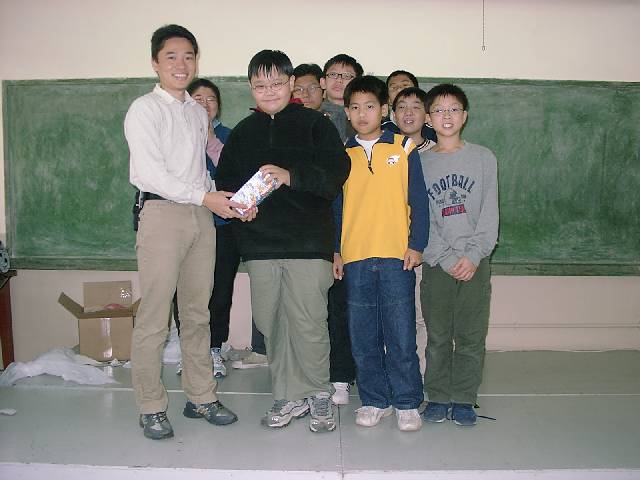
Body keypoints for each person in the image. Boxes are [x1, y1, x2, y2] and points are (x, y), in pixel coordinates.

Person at [215, 49, 350, 433]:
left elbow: (336, 173)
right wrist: (239, 207)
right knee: (271, 322)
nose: (269, 91)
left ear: (292, 83)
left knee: (308, 322)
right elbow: (226, 184)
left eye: (277, 83)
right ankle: (288, 394)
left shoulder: (316, 124)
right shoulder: (243, 133)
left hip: (308, 244)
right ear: (251, 88)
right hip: (260, 247)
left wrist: (292, 176)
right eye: (261, 85)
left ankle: (318, 393)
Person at [125, 24, 248, 440]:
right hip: (161, 214)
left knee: (198, 314)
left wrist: (225, 200)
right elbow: (151, 173)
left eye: (189, 56)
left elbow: (199, 172)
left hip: (200, 217)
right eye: (172, 56)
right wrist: (205, 197)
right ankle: (151, 406)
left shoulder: (197, 112)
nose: (182, 64)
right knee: (155, 316)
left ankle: (201, 396)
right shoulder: (144, 109)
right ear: (155, 62)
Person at [333, 75, 428, 432]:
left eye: (370, 106)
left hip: (396, 256)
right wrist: (335, 251)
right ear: (346, 112)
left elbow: (418, 200)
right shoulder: (342, 155)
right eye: (355, 107)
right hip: (355, 257)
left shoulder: (404, 148)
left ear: (384, 110)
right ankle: (375, 400)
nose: (362, 114)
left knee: (401, 334)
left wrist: (416, 244)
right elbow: (336, 209)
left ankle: (407, 402)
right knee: (363, 336)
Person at [419, 84, 499, 427]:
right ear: (428, 118)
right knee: (438, 336)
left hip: (475, 263)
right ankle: (437, 395)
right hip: (438, 263)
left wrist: (474, 255)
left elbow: (489, 213)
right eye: (439, 110)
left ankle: (464, 397)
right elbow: (420, 219)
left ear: (464, 116)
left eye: (454, 109)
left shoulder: (483, 158)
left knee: (470, 336)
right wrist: (447, 257)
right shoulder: (420, 164)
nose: (447, 116)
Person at [293, 60, 357, 405]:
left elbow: (336, 188)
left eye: (310, 88)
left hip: (339, 230)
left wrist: (337, 244)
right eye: (298, 89)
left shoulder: (347, 129)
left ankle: (340, 376)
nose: (305, 95)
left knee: (338, 306)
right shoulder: (286, 128)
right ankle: (305, 379)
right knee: (304, 312)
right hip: (299, 234)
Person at [172, 78, 247, 378]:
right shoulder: (175, 134)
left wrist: (211, 139)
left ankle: (214, 348)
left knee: (220, 289)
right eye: (198, 98)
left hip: (223, 225)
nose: (205, 104)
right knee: (185, 291)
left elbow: (232, 174)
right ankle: (190, 352)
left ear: (219, 106)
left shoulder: (232, 136)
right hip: (184, 222)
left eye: (211, 99)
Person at [391, 87, 436, 377]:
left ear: (427, 116)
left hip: (429, 248)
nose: (408, 113)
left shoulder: (438, 152)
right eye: (402, 107)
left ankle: (420, 376)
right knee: (397, 315)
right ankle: (398, 374)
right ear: (392, 114)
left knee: (422, 315)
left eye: (416, 107)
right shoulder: (386, 150)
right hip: (395, 246)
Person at [382, 70, 437, 144]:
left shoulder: (432, 129)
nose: (399, 89)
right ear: (388, 100)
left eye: (405, 85)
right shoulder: (382, 129)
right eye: (394, 87)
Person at [320, 54, 363, 142]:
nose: (339, 80)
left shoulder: (364, 116)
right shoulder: (313, 115)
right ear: (323, 82)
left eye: (346, 76)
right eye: (333, 74)